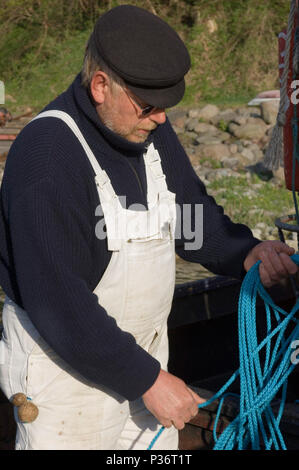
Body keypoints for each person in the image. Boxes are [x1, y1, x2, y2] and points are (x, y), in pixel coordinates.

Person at [0, 5, 297, 451]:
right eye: (149, 106)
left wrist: (245, 252)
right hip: (65, 383)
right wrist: (149, 381)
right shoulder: (46, 159)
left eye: (166, 106)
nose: (160, 118)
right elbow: (59, 303)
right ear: (101, 86)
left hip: (142, 364)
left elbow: (188, 214)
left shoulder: (146, 127)